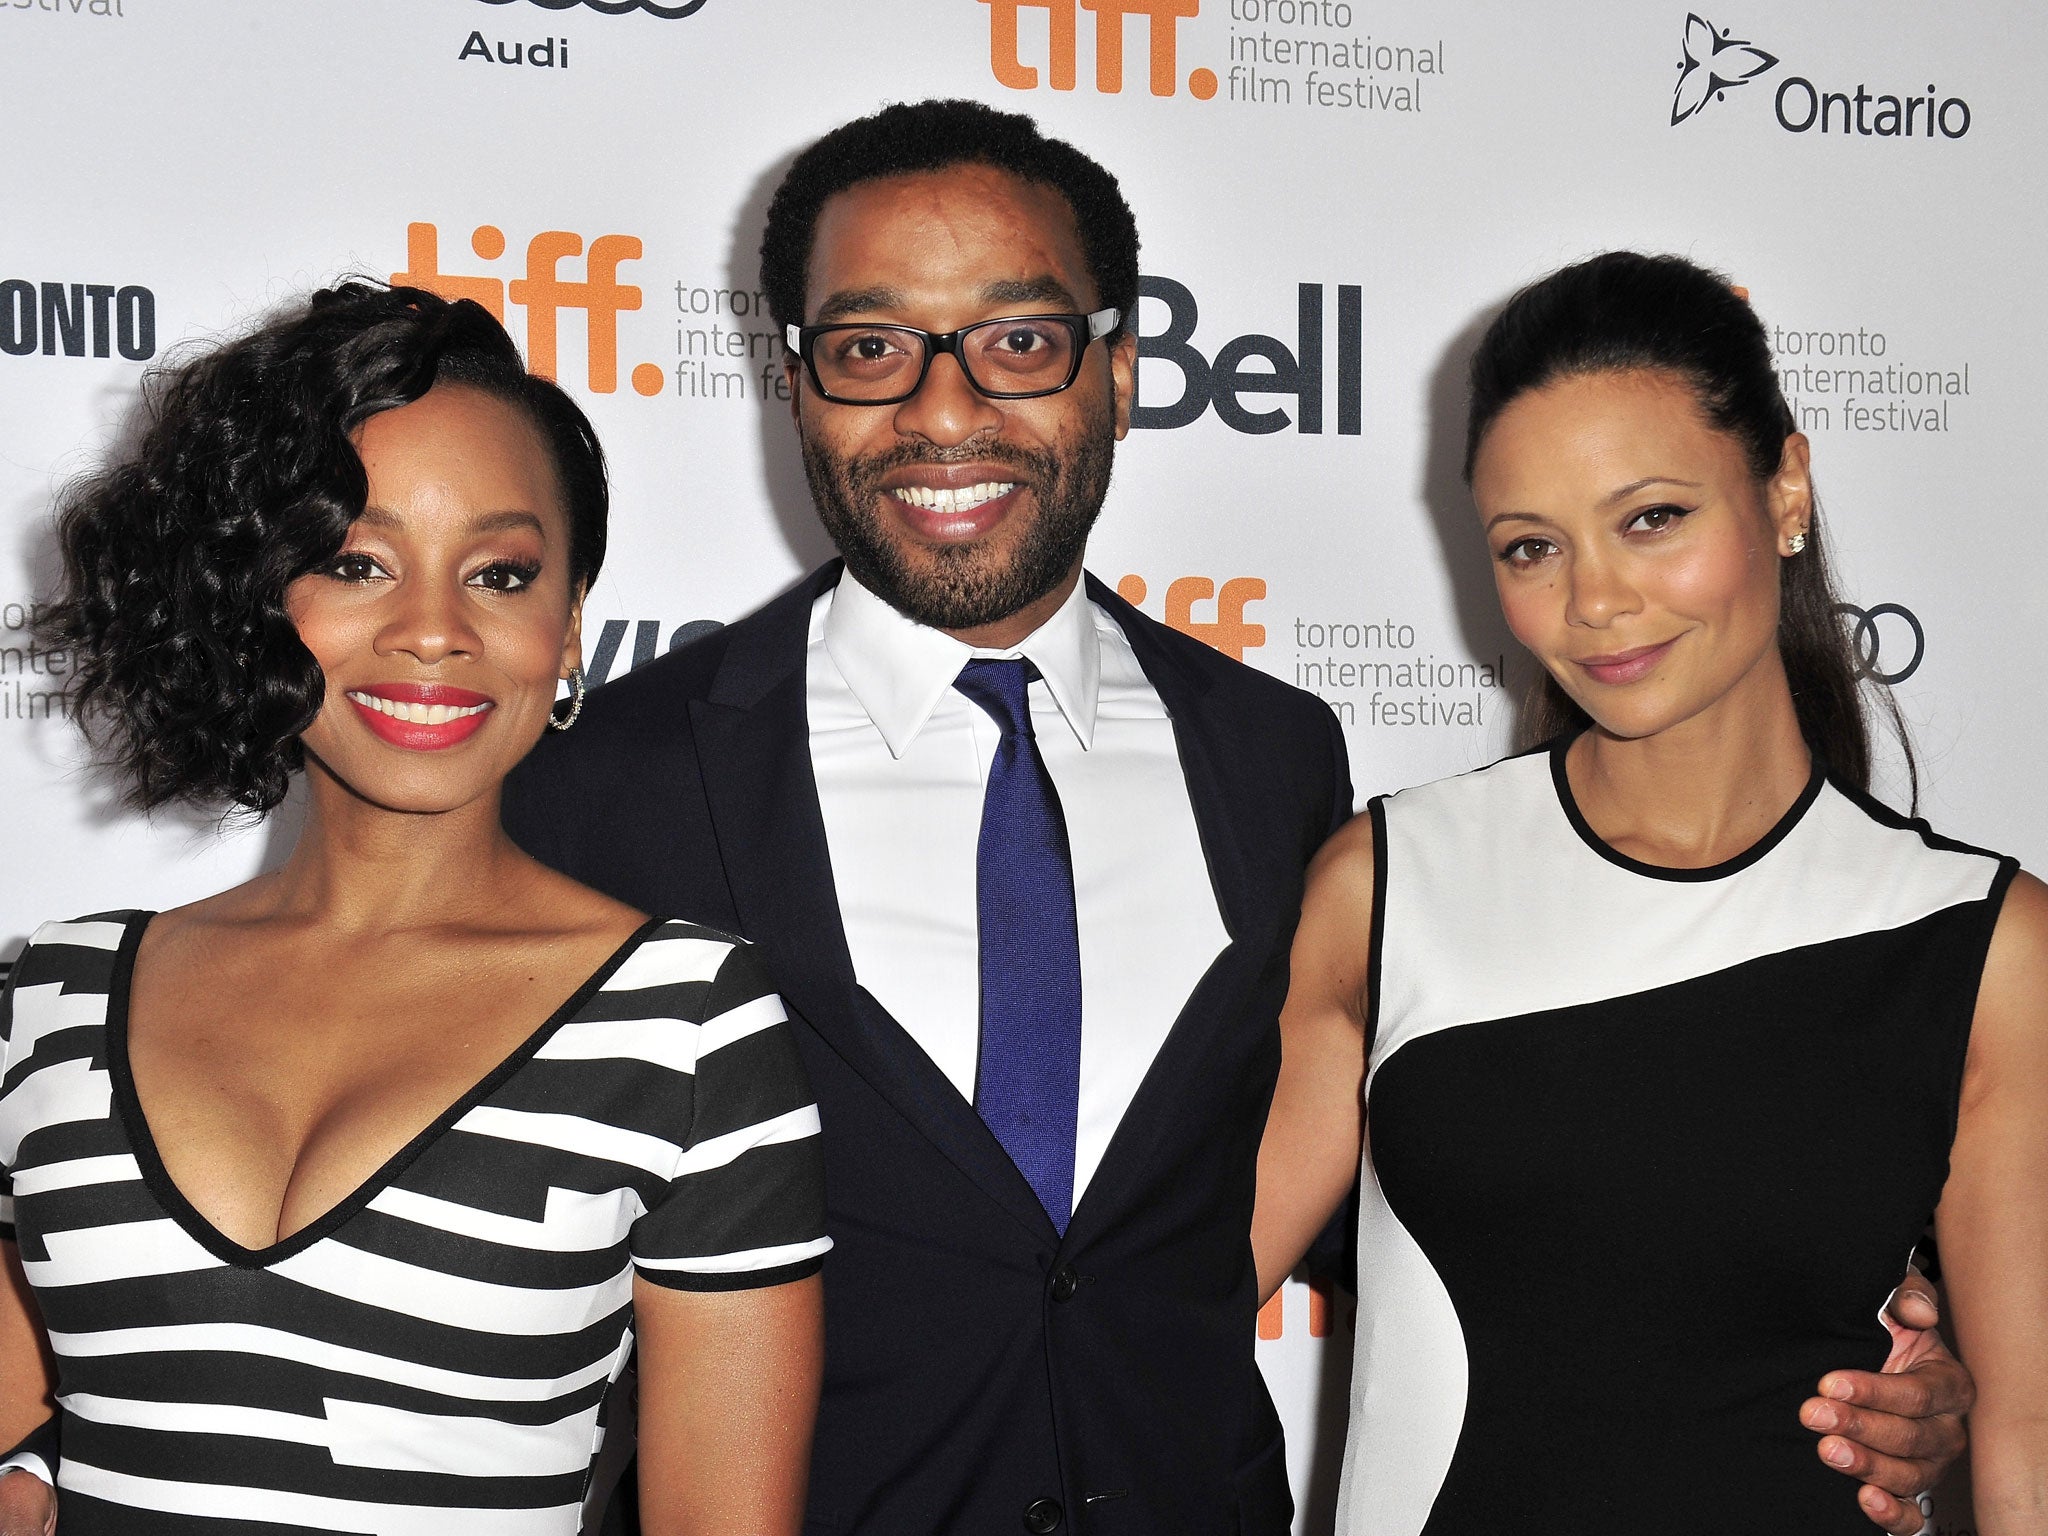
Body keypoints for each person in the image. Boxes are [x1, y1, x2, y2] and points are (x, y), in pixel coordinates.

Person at [500, 105, 1971, 1534]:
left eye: (1019, 342)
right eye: (870, 348)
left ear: (1122, 371)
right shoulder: (603, 786)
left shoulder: (1273, 760)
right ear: (799, 382)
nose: (942, 410)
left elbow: (1438, 1193)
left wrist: (1851, 1355)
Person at [0, 284, 827, 1535]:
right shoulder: (49, 1003)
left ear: (566, 632)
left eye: (500, 572)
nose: (434, 630)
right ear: (258, 599)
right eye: (356, 562)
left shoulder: (684, 1028)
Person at [1253, 250, 2048, 1535]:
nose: (1595, 600)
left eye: (1651, 518)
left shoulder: (1980, 945)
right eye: (1530, 547)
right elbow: (1149, 1299)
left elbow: (2026, 1461)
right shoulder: (1387, 883)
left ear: (1782, 489)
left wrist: (1944, 1402)